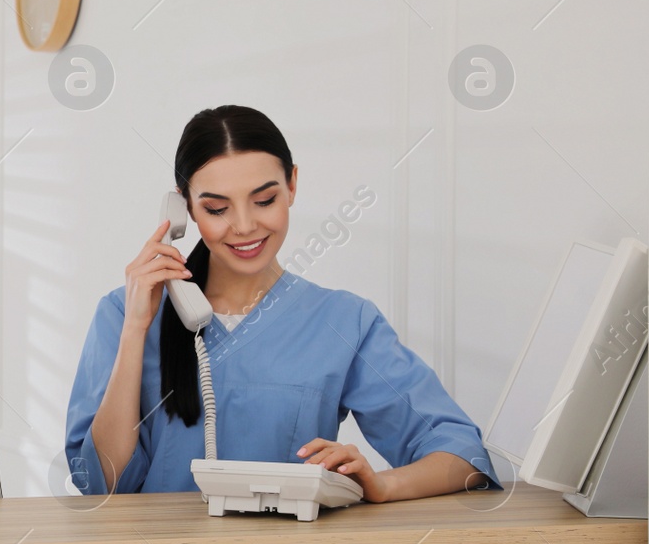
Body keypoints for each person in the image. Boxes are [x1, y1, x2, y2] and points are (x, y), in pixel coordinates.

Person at [64, 105, 497, 499]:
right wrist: (137, 329)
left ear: (292, 185)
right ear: (186, 209)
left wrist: (380, 485)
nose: (245, 226)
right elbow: (99, 483)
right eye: (217, 209)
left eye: (265, 200)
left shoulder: (345, 322)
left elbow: (462, 455)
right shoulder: (123, 314)